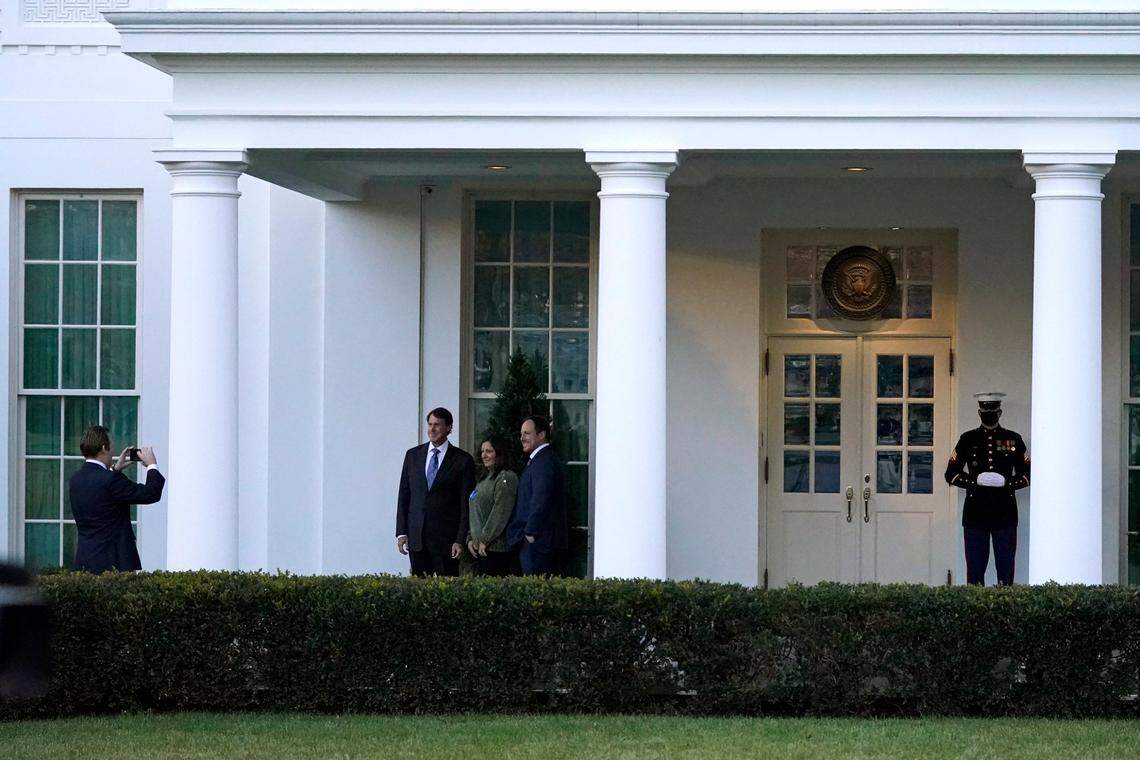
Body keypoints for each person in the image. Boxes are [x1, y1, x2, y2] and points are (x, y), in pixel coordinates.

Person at [944, 392, 1030, 585]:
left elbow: (1028, 474)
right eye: (985, 410)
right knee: (974, 574)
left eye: (992, 410)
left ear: (1000, 413)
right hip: (976, 513)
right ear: (979, 412)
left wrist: (1007, 483)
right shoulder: (968, 439)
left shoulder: (1013, 439)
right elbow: (951, 473)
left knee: (1006, 572)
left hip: (1005, 512)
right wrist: (975, 481)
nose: (989, 414)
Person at [69, 425, 165, 573]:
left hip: (85, 562)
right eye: (111, 446)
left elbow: (101, 493)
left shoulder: (76, 479)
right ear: (103, 448)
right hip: (114, 564)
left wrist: (114, 470)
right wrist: (151, 465)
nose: (113, 451)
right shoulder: (110, 480)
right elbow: (150, 493)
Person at [396, 407, 476, 577]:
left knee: (446, 592)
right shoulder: (413, 456)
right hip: (417, 538)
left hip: (446, 541)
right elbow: (404, 495)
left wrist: (460, 539)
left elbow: (465, 504)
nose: (431, 429)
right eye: (430, 424)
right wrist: (402, 532)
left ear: (448, 428)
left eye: (437, 425)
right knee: (419, 592)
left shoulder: (463, 460)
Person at [507, 415, 568, 576]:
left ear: (541, 435)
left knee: (539, 595)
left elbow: (541, 499)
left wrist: (530, 533)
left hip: (539, 543)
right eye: (521, 434)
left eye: (527, 433)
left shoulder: (544, 461)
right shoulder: (540, 460)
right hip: (539, 542)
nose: (522, 438)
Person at [466, 436, 520, 576]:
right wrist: (470, 538)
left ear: (499, 453)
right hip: (480, 550)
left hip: (496, 550)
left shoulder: (506, 477)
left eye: (489, 451)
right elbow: (475, 512)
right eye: (482, 451)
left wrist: (485, 539)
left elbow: (500, 512)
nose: (484, 455)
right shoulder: (484, 478)